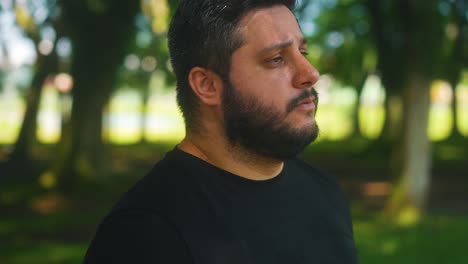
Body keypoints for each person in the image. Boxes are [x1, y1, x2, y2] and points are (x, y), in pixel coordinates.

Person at [84, 0, 360, 263]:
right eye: (276, 58)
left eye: (303, 52)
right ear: (207, 86)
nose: (310, 73)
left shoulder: (324, 192)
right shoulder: (144, 234)